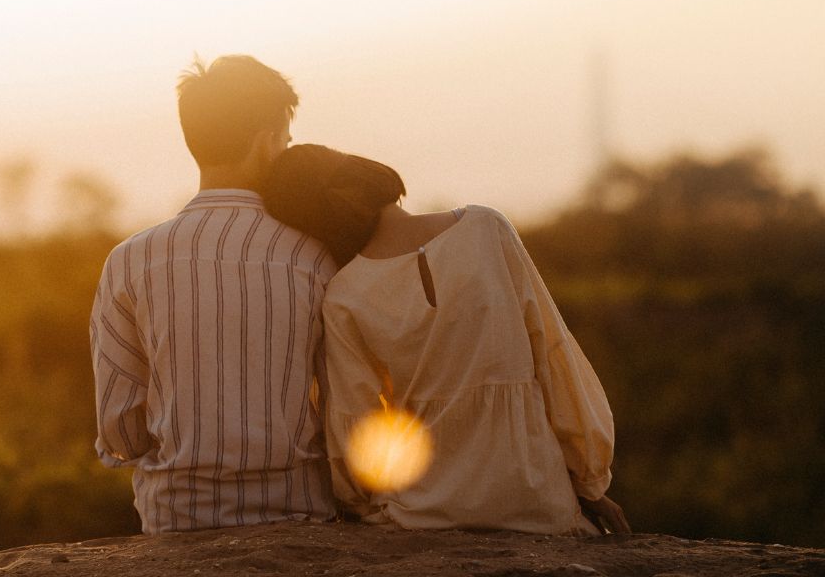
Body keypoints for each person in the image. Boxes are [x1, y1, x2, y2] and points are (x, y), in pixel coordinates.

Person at [261, 144, 631, 536]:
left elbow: (357, 427)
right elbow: (553, 355)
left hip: (422, 513)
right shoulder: (487, 228)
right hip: (536, 501)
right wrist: (590, 482)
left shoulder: (343, 296)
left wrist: (359, 503)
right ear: (365, 171)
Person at [89, 57, 338, 533]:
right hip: (299, 513)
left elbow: (119, 428)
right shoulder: (315, 257)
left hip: (178, 518)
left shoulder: (130, 260)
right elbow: (342, 404)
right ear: (267, 142)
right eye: (285, 140)